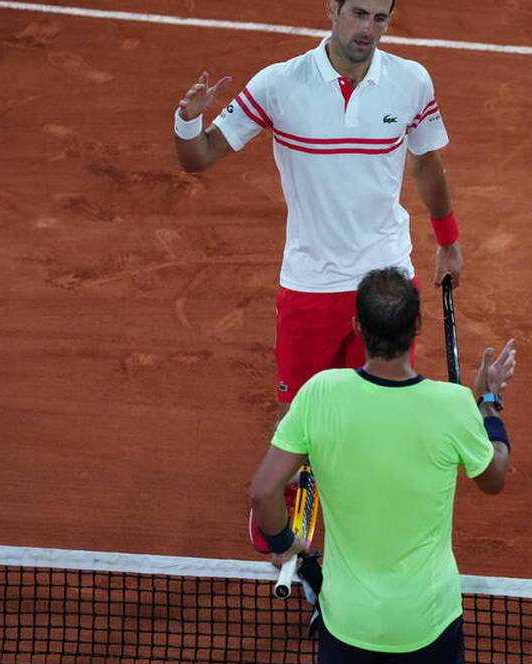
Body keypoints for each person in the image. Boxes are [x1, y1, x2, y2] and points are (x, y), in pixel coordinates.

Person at [172, 0, 463, 410]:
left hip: (387, 282)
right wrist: (188, 121)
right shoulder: (278, 84)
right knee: (303, 422)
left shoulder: (411, 82)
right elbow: (198, 157)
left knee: (375, 418)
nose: (368, 29)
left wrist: (447, 240)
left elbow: (426, 162)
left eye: (380, 19)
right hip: (311, 284)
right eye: (358, 14)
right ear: (332, 8)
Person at [248, 267, 516, 664]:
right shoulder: (454, 404)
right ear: (418, 326)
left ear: (356, 326)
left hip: (348, 622)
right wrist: (487, 404)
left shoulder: (321, 393)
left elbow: (264, 492)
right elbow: (494, 477)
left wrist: (285, 543)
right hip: (427, 622)